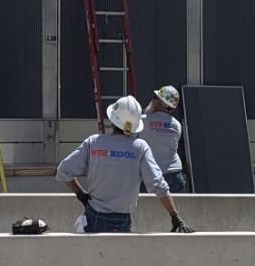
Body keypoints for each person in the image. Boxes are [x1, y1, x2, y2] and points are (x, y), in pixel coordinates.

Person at [58, 95, 193, 235]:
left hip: (93, 218)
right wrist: (174, 216)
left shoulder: (94, 142)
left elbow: (63, 171)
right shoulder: (139, 148)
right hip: (122, 221)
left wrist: (81, 194)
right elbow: (157, 183)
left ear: (112, 119)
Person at [143, 85, 187, 194]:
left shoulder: (142, 121)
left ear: (160, 102)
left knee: (147, 211)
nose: (152, 100)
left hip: (150, 176)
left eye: (155, 97)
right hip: (175, 175)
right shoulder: (176, 125)